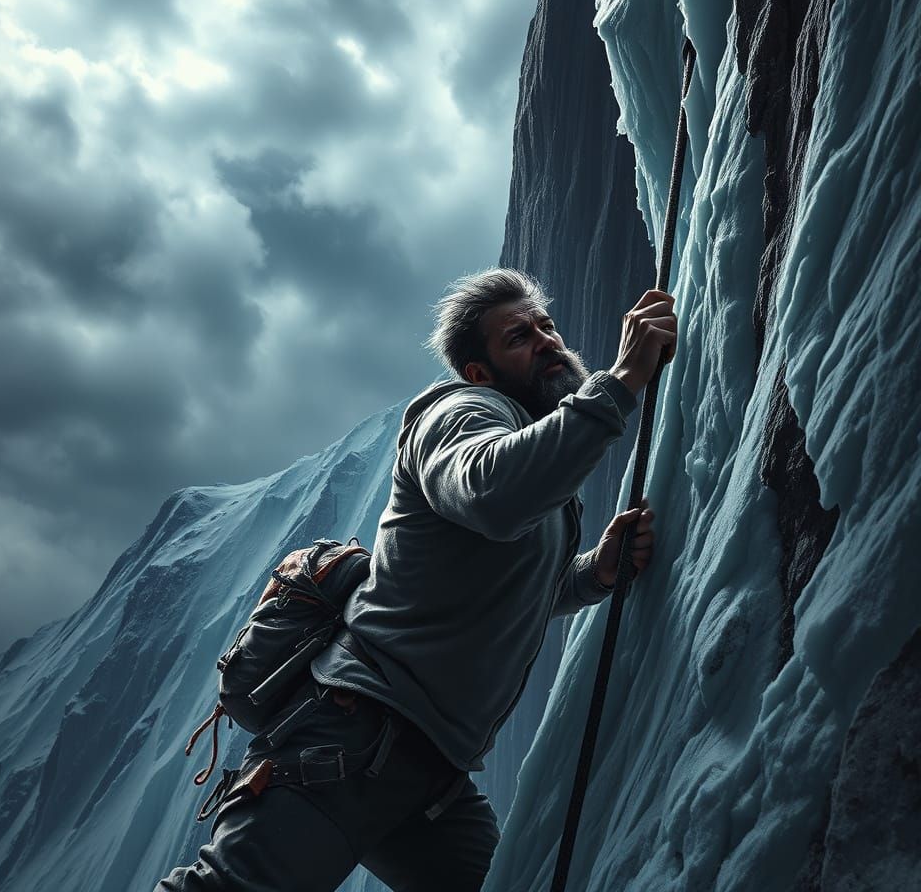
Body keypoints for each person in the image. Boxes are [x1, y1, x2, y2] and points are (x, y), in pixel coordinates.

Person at [155, 267, 676, 892]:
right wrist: (622, 380)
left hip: (427, 769)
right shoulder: (459, 413)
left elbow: (507, 587)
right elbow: (493, 493)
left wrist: (596, 571)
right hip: (352, 735)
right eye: (519, 337)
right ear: (479, 372)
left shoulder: (532, 453)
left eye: (546, 326)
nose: (546, 341)